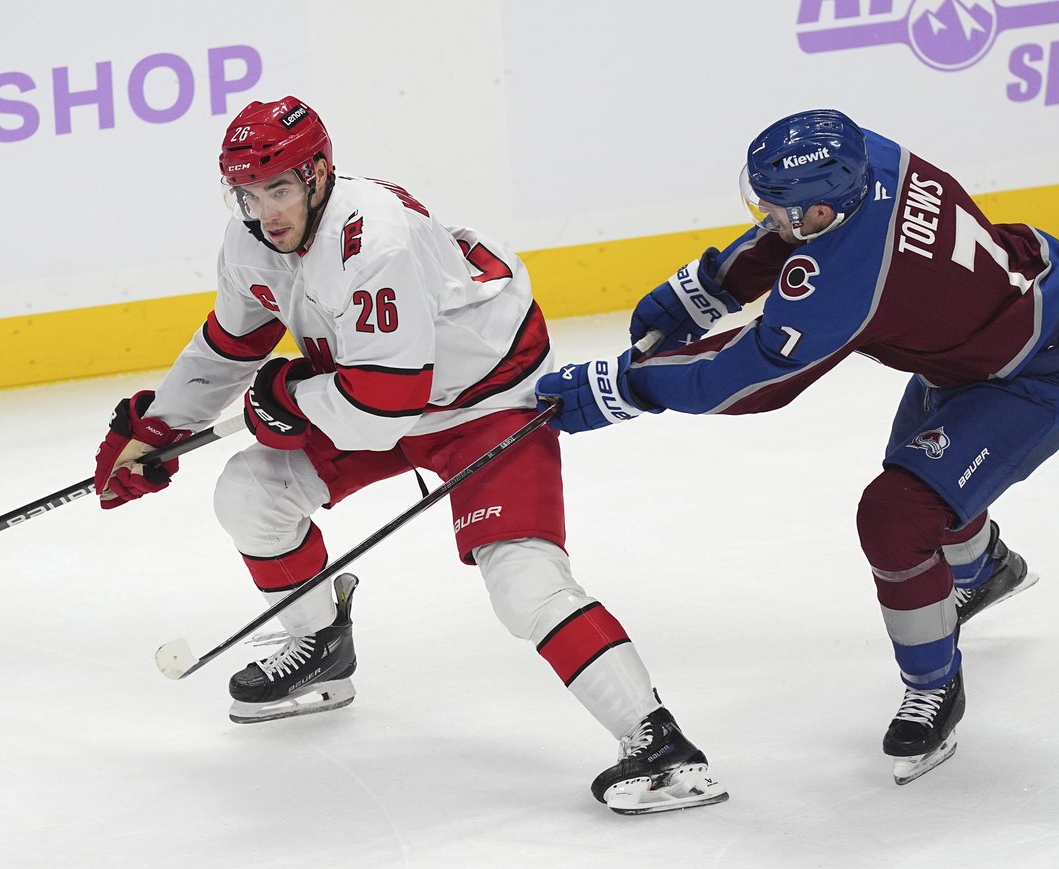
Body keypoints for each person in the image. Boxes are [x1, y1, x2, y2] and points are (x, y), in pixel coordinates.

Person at [91, 95, 727, 814]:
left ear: (318, 174)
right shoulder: (252, 241)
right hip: (384, 392)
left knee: (523, 581)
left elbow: (385, 402)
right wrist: (158, 430)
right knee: (249, 493)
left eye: (279, 188)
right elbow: (233, 343)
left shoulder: (374, 241)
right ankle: (319, 652)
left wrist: (291, 399)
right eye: (246, 192)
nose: (265, 209)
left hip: (486, 400)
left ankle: (661, 746)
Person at [536, 108, 1059, 785]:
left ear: (824, 212)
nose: (770, 215)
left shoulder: (852, 281)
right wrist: (710, 287)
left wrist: (621, 385)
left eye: (782, 208)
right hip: (983, 341)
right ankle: (983, 570)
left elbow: (745, 379)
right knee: (935, 488)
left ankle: (934, 684)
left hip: (1029, 381)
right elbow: (791, 236)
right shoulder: (870, 155)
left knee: (897, 516)